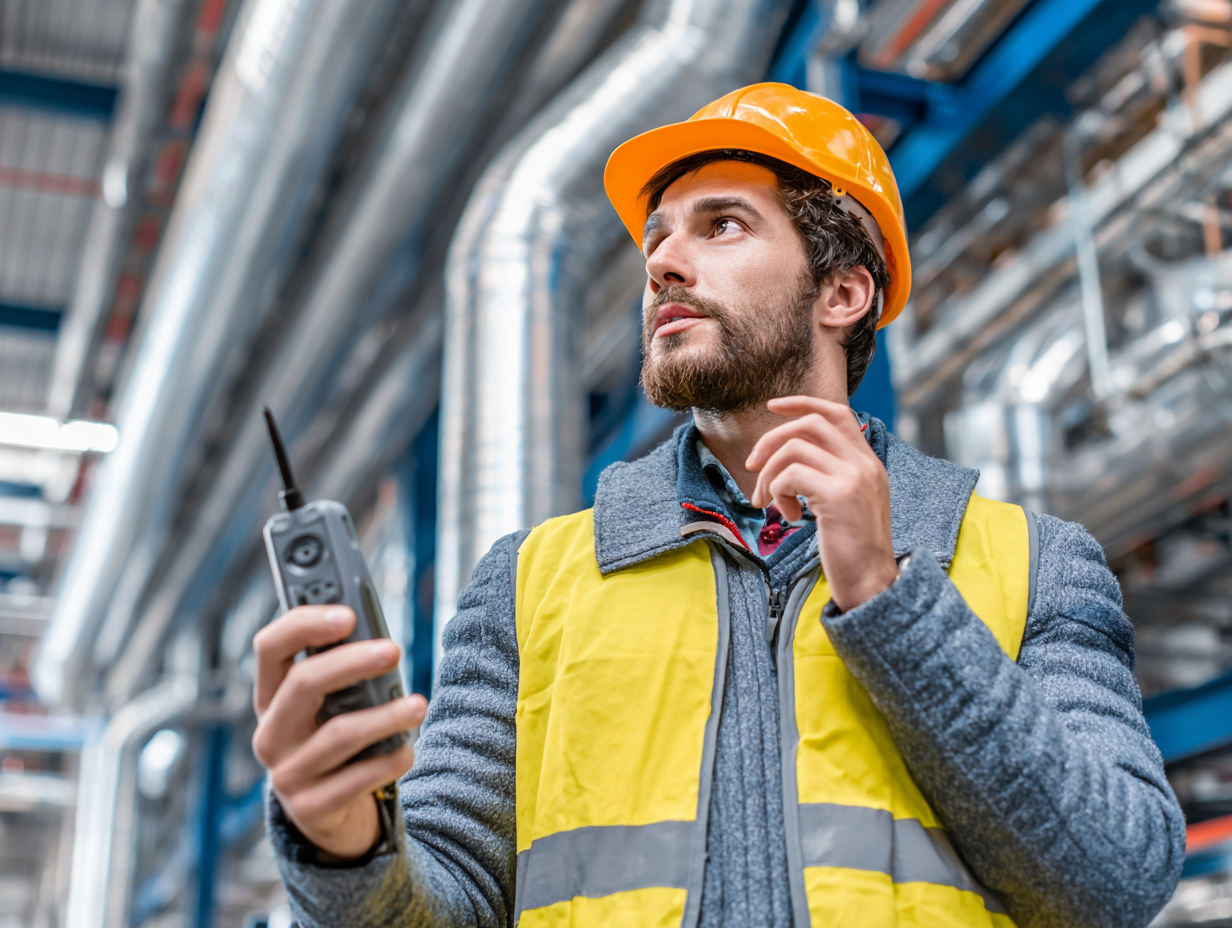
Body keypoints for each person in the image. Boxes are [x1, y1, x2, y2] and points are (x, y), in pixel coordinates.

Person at [251, 83, 1184, 928]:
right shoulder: (530, 586)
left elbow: (1116, 881)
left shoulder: (1032, 561)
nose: (662, 264)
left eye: (722, 225)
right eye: (657, 237)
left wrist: (888, 599)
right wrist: (345, 841)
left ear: (844, 292)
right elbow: (443, 906)